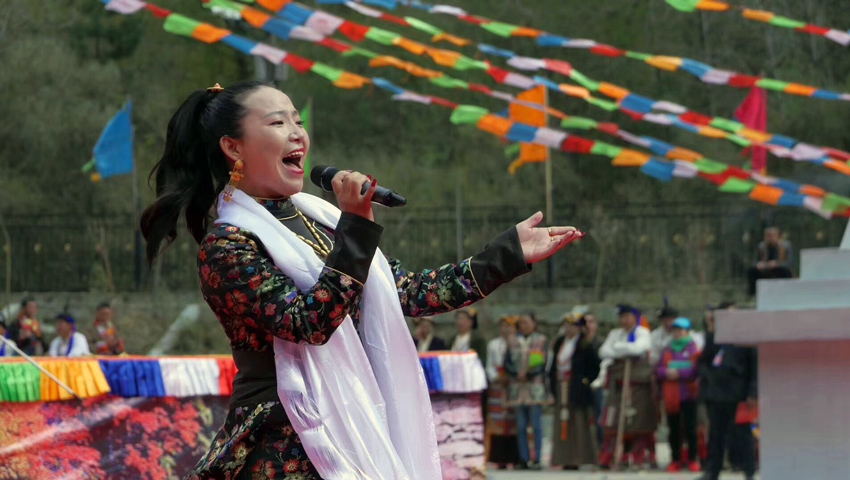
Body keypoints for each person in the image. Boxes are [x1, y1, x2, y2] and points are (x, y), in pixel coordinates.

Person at [139, 81, 584, 479]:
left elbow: (411, 292)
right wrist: (354, 228)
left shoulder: (322, 220)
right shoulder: (228, 244)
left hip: (358, 423)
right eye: (277, 122)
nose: (297, 133)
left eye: (297, 120)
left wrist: (507, 254)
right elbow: (307, 322)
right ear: (233, 148)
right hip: (284, 440)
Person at [697, 303, 758, 480]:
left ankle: (748, 470)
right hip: (716, 394)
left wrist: (753, 393)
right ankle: (713, 471)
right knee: (716, 434)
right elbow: (704, 361)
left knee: (742, 434)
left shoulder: (747, 339)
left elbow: (754, 368)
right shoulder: (715, 336)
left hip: (738, 393)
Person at [598, 305, 657, 469]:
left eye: (627, 317)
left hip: (638, 384)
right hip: (618, 382)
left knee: (638, 421)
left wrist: (619, 348)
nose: (624, 321)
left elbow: (639, 348)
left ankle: (639, 456)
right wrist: (623, 350)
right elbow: (604, 351)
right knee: (614, 420)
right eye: (622, 317)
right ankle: (613, 455)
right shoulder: (615, 334)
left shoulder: (642, 332)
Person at [550, 315, 601, 470]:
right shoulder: (559, 342)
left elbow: (595, 367)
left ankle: (579, 457)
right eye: (567, 325)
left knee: (578, 422)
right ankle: (564, 458)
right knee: (562, 421)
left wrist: (585, 381)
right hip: (561, 386)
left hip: (577, 389)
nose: (569, 329)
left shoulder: (584, 345)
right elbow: (553, 365)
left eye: (572, 326)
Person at [504, 313, 549, 470]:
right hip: (517, 387)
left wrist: (528, 373)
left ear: (534, 323)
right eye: (521, 323)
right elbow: (507, 362)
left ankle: (537, 458)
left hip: (534, 386)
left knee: (536, 424)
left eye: (527, 322)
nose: (524, 325)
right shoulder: (512, 340)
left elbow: (542, 363)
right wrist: (516, 373)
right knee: (521, 425)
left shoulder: (540, 340)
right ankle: (523, 458)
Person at [655, 318, 701, 473]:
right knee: (674, 429)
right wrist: (667, 372)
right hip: (671, 396)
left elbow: (695, 369)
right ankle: (675, 459)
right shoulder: (667, 350)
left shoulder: (694, 348)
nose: (677, 333)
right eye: (674, 330)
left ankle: (693, 459)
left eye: (680, 330)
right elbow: (659, 369)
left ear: (687, 331)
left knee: (691, 428)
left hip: (689, 394)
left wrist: (678, 372)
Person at [484, 315, 519, 469]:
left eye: (509, 326)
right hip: (497, 385)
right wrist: (496, 377)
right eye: (504, 326)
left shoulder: (518, 343)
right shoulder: (493, 344)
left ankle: (514, 457)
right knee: (497, 420)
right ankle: (499, 458)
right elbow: (489, 365)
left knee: (513, 421)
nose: (506, 329)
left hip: (513, 385)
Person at [747, 226, 794, 296]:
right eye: (767, 236)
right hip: (765, 269)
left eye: (771, 236)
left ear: (777, 236)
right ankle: (753, 295)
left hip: (779, 269)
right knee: (751, 271)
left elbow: (790, 263)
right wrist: (758, 264)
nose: (769, 238)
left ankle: (785, 293)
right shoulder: (761, 246)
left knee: (785, 271)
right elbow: (754, 262)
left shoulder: (785, 246)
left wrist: (777, 264)